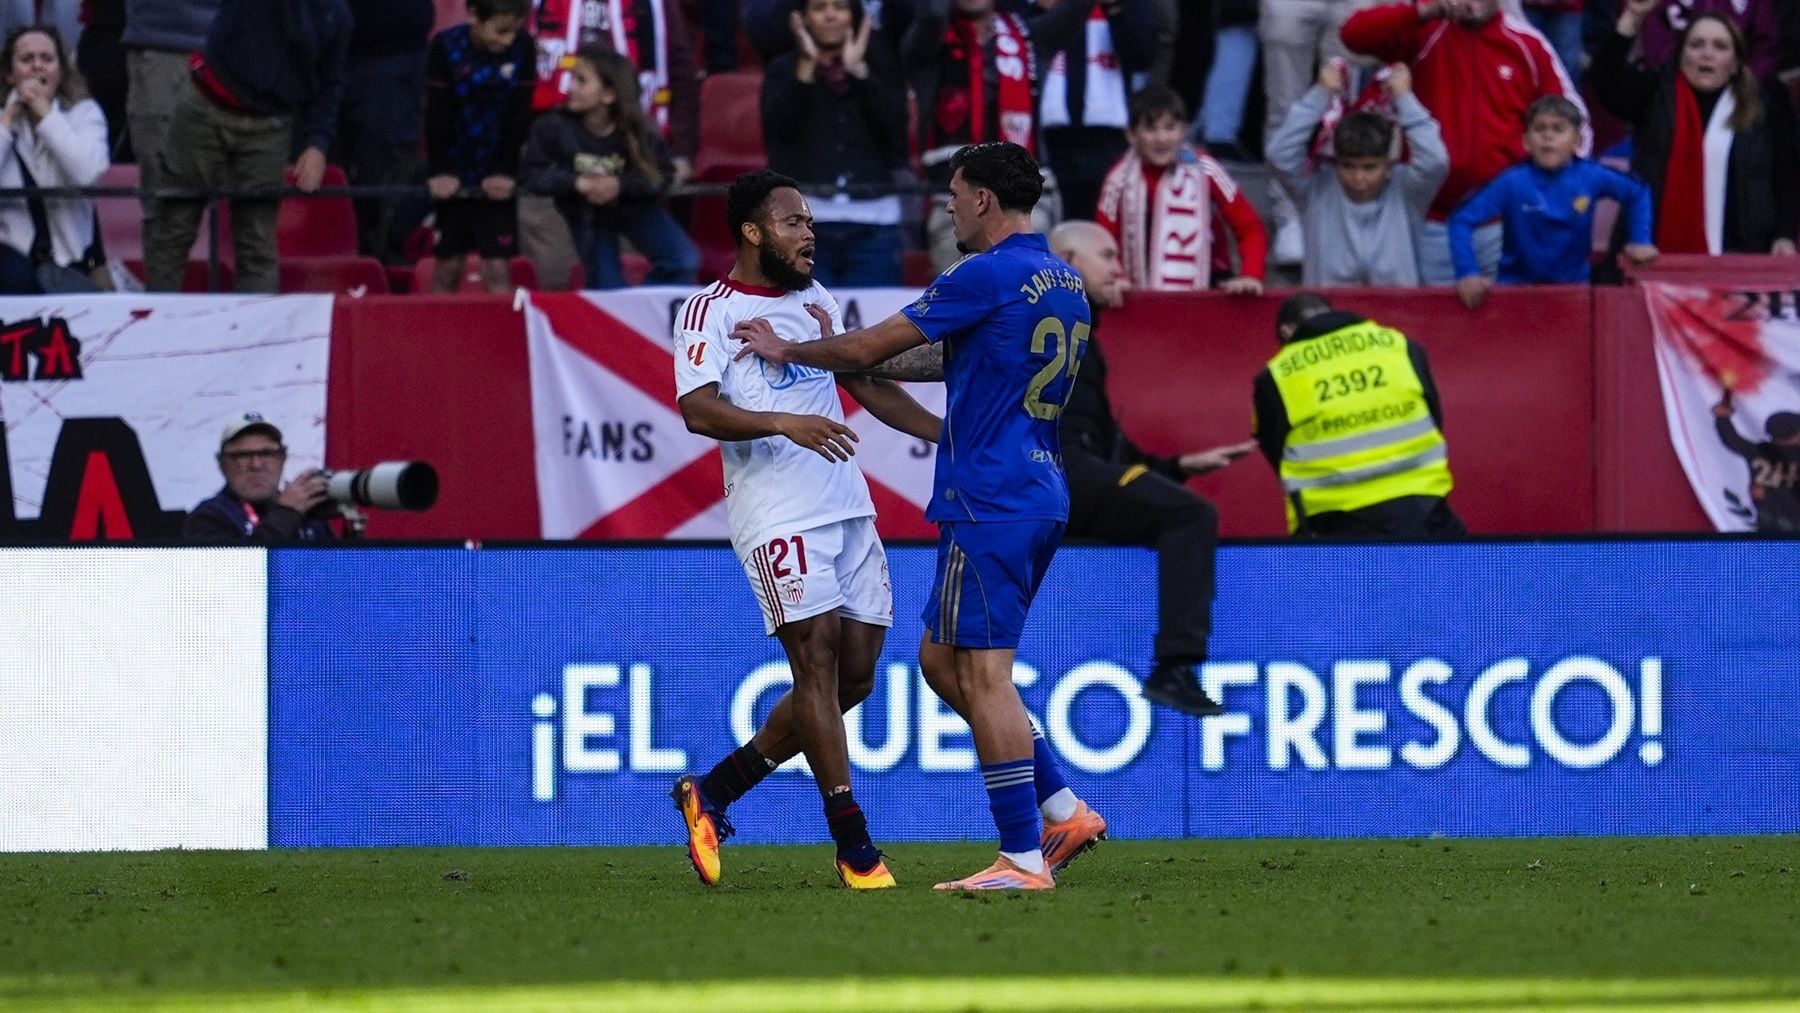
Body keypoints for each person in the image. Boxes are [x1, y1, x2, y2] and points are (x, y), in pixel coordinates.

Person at [733, 142, 1107, 892]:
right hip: (1038, 488)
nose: (948, 205)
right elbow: (946, 361)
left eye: (956, 193)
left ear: (985, 203)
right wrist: (849, 365)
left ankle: (1023, 858)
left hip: (990, 496)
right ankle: (1063, 806)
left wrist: (788, 347)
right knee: (941, 662)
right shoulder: (1065, 279)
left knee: (985, 673)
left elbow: (877, 342)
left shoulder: (984, 272)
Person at [668, 170, 942, 890]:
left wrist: (951, 438)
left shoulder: (814, 300)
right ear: (753, 232)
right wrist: (783, 420)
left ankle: (715, 789)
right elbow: (698, 409)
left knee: (854, 676)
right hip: (777, 511)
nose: (808, 233)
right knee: (814, 664)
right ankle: (854, 844)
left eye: (810, 221)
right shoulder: (707, 311)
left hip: (846, 505)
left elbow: (867, 385)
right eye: (793, 222)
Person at [1050, 220, 1254, 716]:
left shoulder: (1079, 331)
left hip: (1066, 474)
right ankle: (1175, 668)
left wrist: (1179, 465)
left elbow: (1103, 445)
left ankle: (1173, 666)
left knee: (1176, 507)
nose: (1119, 270)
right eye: (1108, 256)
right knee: (1191, 516)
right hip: (1055, 475)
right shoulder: (1049, 315)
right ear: (1070, 263)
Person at [1340, 0, 1588, 284]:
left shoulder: (1527, 44)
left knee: (1511, 322)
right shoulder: (1423, 33)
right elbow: (1353, 35)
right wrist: (1425, 9)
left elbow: (1574, 124)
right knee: (1433, 320)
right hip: (1433, 221)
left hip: (1505, 223)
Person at [142, 0, 352, 294]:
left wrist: (317, 143)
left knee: (257, 244)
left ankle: (257, 335)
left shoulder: (337, 15)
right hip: (206, 104)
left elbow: (331, 83)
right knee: (174, 228)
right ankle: (153, 327)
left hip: (270, 124)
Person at [1589, 6, 1799, 258]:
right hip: (1653, 255)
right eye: (1696, 45)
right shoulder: (1654, 93)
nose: (1706, 54)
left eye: (1720, 46)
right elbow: (1605, 81)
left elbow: (1788, 176)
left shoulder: (1767, 104)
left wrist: (1784, 235)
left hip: (1743, 257)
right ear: (1681, 55)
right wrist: (1632, 18)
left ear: (1735, 63)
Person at [1252, 293, 1464, 537]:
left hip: (1333, 525)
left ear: (1287, 332)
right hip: (1425, 511)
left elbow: (1275, 451)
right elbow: (1433, 414)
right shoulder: (1399, 345)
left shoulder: (1276, 375)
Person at [901, 0, 1092, 271]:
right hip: (953, 205)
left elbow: (1077, 8)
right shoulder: (927, 41)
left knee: (1022, 303)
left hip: (1022, 206)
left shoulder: (1032, 37)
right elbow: (932, 13)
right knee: (961, 306)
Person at [1450, 95, 1657, 308]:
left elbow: (1638, 191)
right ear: (1526, 142)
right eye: (1540, 129)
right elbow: (1461, 219)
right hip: (1515, 294)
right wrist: (1467, 272)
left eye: (1558, 129)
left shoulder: (1592, 176)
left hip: (1574, 294)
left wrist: (1641, 239)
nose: (1548, 136)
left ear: (1577, 142)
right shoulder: (1511, 182)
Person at [518, 45, 698, 289]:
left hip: (637, 208)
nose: (569, 87)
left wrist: (619, 185)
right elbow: (531, 174)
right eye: (572, 78)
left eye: (581, 81)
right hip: (586, 214)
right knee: (607, 286)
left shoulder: (641, 130)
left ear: (609, 95)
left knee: (684, 261)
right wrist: (576, 183)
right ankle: (617, 315)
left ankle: (640, 312)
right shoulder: (553, 126)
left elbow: (662, 175)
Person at [760, 0, 909, 287]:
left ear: (855, 17)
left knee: (872, 330)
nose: (830, 15)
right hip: (804, 223)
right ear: (801, 19)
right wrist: (805, 70)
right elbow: (779, 133)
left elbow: (895, 133)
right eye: (819, 8)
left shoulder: (883, 65)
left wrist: (860, 74)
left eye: (839, 7)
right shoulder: (783, 69)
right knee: (809, 328)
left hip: (875, 224)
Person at [1266, 61, 1448, 287]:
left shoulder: (1407, 191)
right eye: (1348, 166)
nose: (1358, 178)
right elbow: (1279, 154)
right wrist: (1319, 95)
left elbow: (1436, 160)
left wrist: (1404, 98)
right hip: (1330, 313)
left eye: (1369, 167)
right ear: (1336, 163)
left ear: (1389, 164)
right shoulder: (1314, 190)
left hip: (1396, 312)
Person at [1095, 84, 1267, 294]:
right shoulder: (1118, 178)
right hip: (1138, 291)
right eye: (1150, 129)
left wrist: (1250, 275)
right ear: (1131, 135)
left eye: (1170, 128)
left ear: (1184, 131)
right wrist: (1116, 278)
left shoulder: (1204, 168)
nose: (1161, 138)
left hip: (1208, 284)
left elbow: (1249, 227)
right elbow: (1104, 239)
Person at [424, 0, 536, 295]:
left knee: (497, 269)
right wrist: (441, 170)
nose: (508, 40)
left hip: (497, 171)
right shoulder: (446, 46)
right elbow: (437, 112)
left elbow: (519, 115)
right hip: (454, 167)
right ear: (473, 15)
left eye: (514, 31)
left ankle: (506, 338)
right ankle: (438, 335)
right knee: (447, 267)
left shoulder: (524, 47)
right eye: (500, 31)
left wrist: (505, 170)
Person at [0, 24, 110, 294]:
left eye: (47, 59)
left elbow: (88, 172)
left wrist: (47, 118)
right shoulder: (3, 120)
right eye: (27, 60)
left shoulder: (84, 114)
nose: (37, 66)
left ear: (60, 72)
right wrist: (8, 120)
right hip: (11, 259)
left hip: (70, 262)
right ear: (10, 76)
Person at [1035, 0, 1157, 223]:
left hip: (1105, 142)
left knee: (1097, 235)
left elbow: (1143, 56)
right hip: (1045, 140)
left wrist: (1116, 9)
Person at [121, 0, 220, 251]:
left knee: (245, 201)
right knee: (162, 197)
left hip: (233, 41)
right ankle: (162, 288)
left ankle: (240, 291)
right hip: (159, 42)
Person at [184, 412, 338, 542]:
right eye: (242, 456)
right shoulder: (208, 518)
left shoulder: (307, 512)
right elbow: (237, 574)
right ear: (222, 464)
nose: (256, 465)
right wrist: (286, 514)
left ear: (283, 459)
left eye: (267, 454)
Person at [1715, 390, 1800, 533]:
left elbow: (1731, 440)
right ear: (1793, 435)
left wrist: (1722, 419)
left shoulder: (1757, 451)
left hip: (1767, 522)